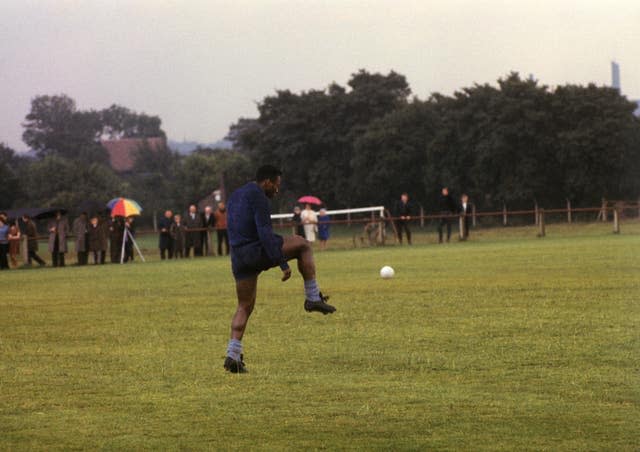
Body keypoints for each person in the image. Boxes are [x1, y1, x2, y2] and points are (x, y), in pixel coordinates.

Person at [223, 165, 336, 374]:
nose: (277, 189)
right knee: (303, 244)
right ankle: (312, 297)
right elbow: (264, 233)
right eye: (276, 185)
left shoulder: (236, 195)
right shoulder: (259, 197)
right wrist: (282, 263)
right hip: (256, 249)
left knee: (244, 306)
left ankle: (232, 355)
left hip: (238, 256)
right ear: (267, 182)